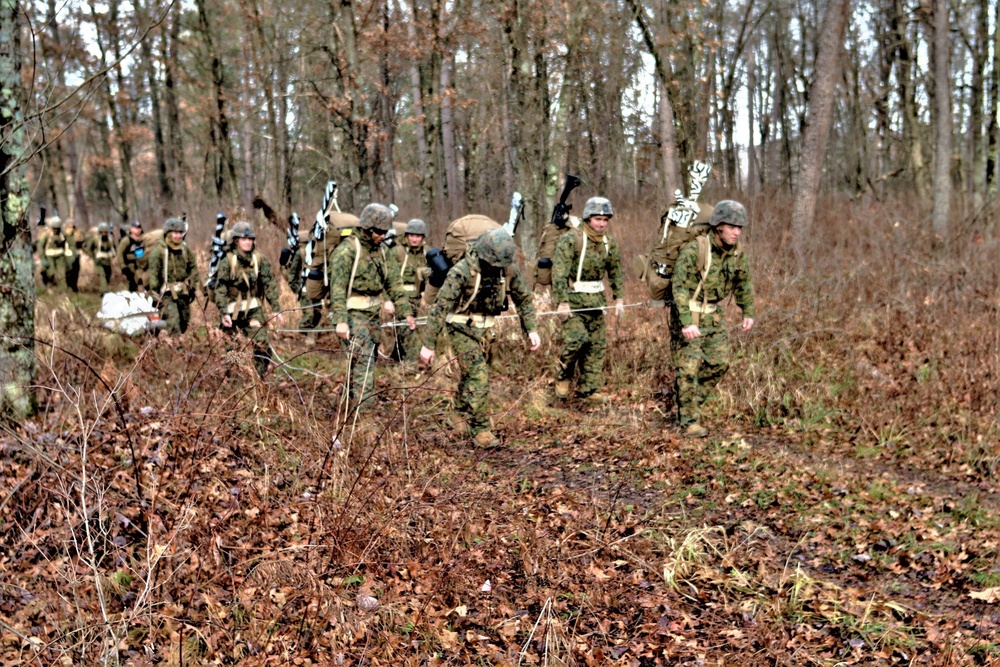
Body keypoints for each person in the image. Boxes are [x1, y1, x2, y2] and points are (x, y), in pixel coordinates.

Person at [419, 228, 541, 448]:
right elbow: (439, 307)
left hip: (487, 329)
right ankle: (481, 429)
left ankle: (456, 412)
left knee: (471, 375)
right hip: (460, 327)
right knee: (478, 376)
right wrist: (428, 345)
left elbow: (523, 298)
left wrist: (531, 329)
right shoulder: (462, 271)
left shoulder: (508, 270)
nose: (497, 269)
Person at [670, 200, 755, 438]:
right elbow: (678, 286)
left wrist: (748, 311)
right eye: (732, 226)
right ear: (718, 226)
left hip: (715, 317)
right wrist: (687, 322)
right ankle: (689, 422)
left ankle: (687, 405)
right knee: (688, 369)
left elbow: (744, 283)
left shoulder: (737, 254)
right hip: (690, 315)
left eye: (740, 227)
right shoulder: (695, 249)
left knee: (719, 363)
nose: (737, 232)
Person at [328, 204, 415, 410]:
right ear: (367, 228)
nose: (382, 236)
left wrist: (406, 313)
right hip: (351, 315)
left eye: (386, 232)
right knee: (364, 362)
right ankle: (364, 417)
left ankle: (345, 401)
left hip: (373, 316)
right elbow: (337, 288)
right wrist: (340, 320)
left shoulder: (384, 253)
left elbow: (394, 284)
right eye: (379, 232)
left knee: (363, 360)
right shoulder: (347, 251)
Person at [551, 196, 624, 403]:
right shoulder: (572, 239)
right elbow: (559, 272)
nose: (601, 224)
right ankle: (563, 376)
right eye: (597, 219)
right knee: (576, 340)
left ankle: (589, 389)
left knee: (596, 345)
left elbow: (616, 271)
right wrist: (562, 302)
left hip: (596, 302)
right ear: (588, 218)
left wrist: (619, 298)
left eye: (605, 220)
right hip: (573, 302)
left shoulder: (609, 243)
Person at [214, 222, 285, 377]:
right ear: (236, 241)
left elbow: (270, 285)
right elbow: (221, 289)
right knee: (233, 349)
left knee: (262, 343)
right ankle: (233, 383)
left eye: (250, 239)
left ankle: (258, 379)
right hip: (231, 312)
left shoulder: (260, 260)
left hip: (253, 310)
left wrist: (276, 309)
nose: (248, 242)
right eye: (243, 239)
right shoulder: (227, 262)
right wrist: (223, 312)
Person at [146, 217, 201, 335]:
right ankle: (177, 351)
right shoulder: (158, 252)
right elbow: (153, 276)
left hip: (183, 293)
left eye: (181, 233)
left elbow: (193, 269)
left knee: (184, 322)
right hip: (166, 295)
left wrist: (193, 287)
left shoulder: (185, 249)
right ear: (168, 233)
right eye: (175, 233)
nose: (178, 236)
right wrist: (156, 297)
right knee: (173, 322)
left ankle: (176, 346)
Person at [390, 218, 429, 362]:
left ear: (423, 238)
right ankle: (409, 362)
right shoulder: (397, 251)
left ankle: (396, 357)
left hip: (418, 296)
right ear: (406, 236)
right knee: (407, 326)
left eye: (418, 236)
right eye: (411, 235)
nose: (414, 239)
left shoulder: (427, 253)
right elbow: (388, 275)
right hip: (400, 295)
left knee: (408, 327)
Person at [38, 215, 68, 289]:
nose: (56, 230)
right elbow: (40, 246)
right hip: (49, 256)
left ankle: (63, 290)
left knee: (62, 274)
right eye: (54, 228)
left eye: (57, 228)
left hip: (60, 256)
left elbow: (68, 244)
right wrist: (43, 258)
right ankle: (49, 286)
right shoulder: (47, 235)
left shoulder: (63, 235)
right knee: (51, 272)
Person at [85, 222, 117, 293]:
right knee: (102, 276)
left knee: (108, 275)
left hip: (107, 260)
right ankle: (104, 292)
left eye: (105, 232)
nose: (104, 233)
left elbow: (114, 249)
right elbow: (89, 249)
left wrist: (114, 257)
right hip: (99, 261)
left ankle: (104, 289)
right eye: (102, 232)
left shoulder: (110, 239)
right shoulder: (95, 239)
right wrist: (93, 257)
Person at [117, 220, 148, 292]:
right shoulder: (126, 240)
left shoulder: (144, 239)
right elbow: (120, 253)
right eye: (135, 228)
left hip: (143, 264)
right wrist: (123, 266)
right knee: (133, 284)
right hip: (131, 266)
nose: (138, 230)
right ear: (131, 229)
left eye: (139, 228)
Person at [63, 220, 84, 292]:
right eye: (69, 226)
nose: (70, 228)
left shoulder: (77, 234)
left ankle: (74, 286)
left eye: (72, 226)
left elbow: (81, 243)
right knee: (68, 271)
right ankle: (69, 286)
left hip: (76, 256)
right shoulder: (64, 235)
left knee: (76, 271)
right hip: (68, 256)